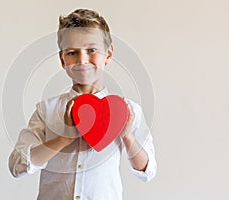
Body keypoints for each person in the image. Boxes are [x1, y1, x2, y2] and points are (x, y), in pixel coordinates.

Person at [8, 8, 157, 200]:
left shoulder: (127, 111)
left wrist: (127, 135)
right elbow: (17, 165)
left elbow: (148, 170)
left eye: (92, 50)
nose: (82, 60)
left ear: (108, 54)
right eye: (72, 52)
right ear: (62, 59)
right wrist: (65, 138)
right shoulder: (46, 110)